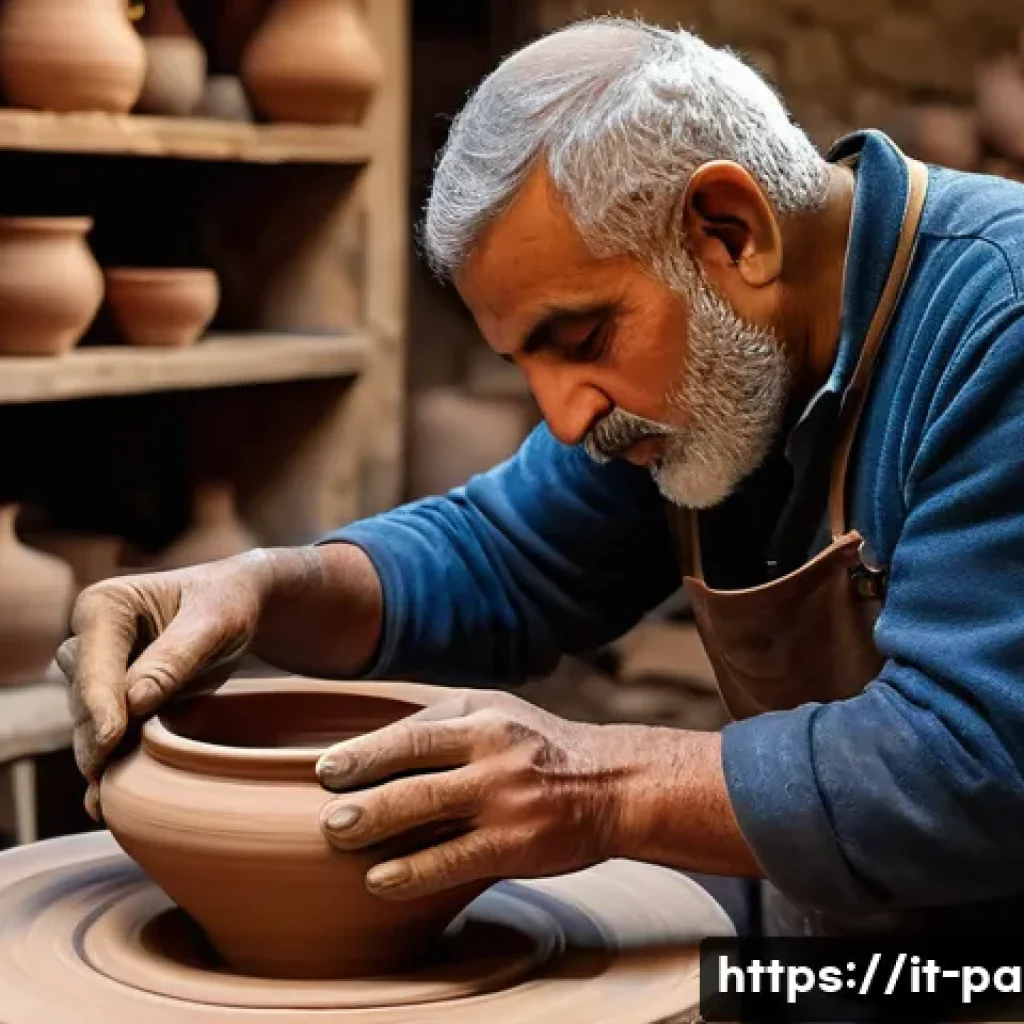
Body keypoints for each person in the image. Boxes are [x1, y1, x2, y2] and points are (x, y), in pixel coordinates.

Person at [58, 17, 1024, 939]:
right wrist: (261, 587)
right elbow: (500, 558)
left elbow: (976, 765)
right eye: (528, 362)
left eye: (582, 339)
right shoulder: (720, 361)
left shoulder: (997, 325)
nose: (565, 416)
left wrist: (593, 787)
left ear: (731, 231)